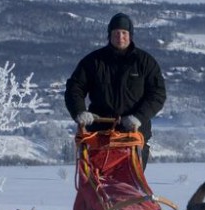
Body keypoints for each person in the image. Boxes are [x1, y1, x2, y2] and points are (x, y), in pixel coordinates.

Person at [65, 12, 167, 164]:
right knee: (98, 182)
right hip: (100, 134)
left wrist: (139, 117)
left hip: (134, 134)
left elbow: (157, 94)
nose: (120, 37)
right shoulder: (93, 61)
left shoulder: (145, 62)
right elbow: (75, 88)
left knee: (129, 183)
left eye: (124, 33)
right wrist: (80, 112)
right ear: (109, 35)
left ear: (130, 35)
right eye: (116, 33)